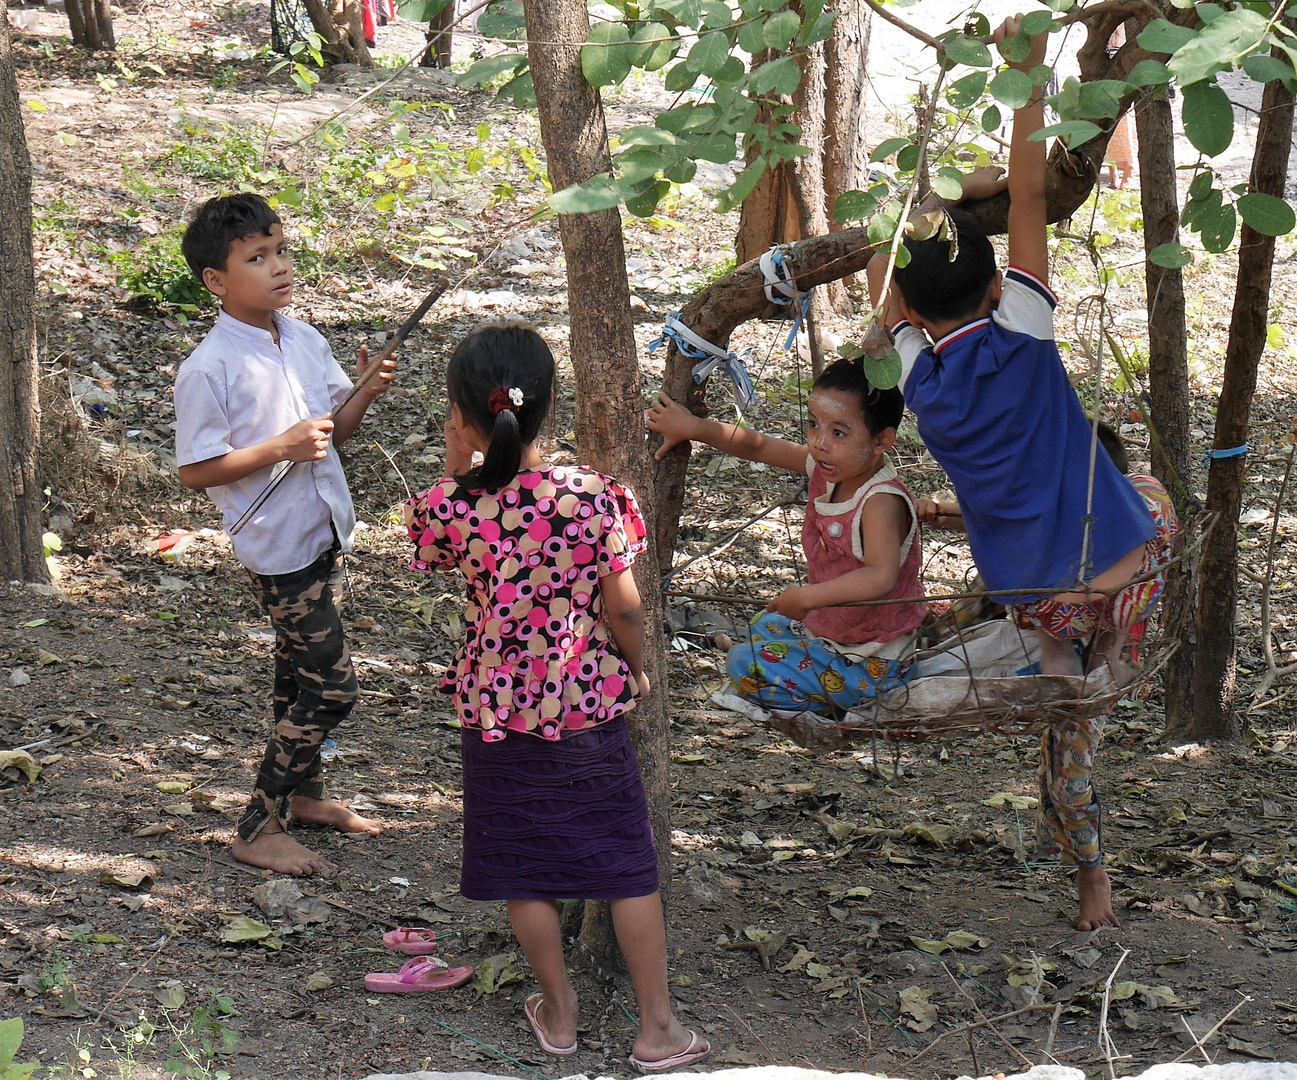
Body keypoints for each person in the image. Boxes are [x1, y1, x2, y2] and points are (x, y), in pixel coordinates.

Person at [866, 15, 1163, 930]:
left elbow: (890, 285)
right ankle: (1093, 888)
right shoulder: (1024, 334)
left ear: (912, 304)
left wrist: (944, 194)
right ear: (998, 290)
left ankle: (1084, 865)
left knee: (1061, 716)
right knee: (1138, 486)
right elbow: (1028, 200)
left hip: (1043, 601)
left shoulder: (917, 374)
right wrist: (1025, 77)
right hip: (1122, 573)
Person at [404, 322, 709, 1073]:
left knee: (523, 867)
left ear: (464, 416)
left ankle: (561, 1013)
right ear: (548, 406)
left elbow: (434, 539)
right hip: (584, 706)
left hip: (495, 715)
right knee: (626, 869)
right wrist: (634, 669)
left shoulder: (448, 506)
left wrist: (459, 458)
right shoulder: (595, 498)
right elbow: (627, 608)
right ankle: (657, 1028)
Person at [175, 193, 393, 876]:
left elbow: (335, 430)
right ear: (216, 279)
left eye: (281, 251)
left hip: (321, 530)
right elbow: (194, 470)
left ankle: (305, 797)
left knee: (293, 675)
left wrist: (363, 390)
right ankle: (255, 823)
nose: (278, 268)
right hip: (276, 549)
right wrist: (280, 447)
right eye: (256, 257)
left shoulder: (301, 339)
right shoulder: (209, 367)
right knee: (330, 688)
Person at [646, 358, 927, 717]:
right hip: (838, 634)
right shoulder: (830, 470)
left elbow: (880, 575)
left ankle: (837, 706)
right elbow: (759, 447)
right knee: (764, 626)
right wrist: (694, 427)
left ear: (882, 441)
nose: (820, 443)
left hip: (874, 662)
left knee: (743, 664)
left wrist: (808, 597)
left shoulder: (880, 501)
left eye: (839, 433)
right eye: (813, 425)